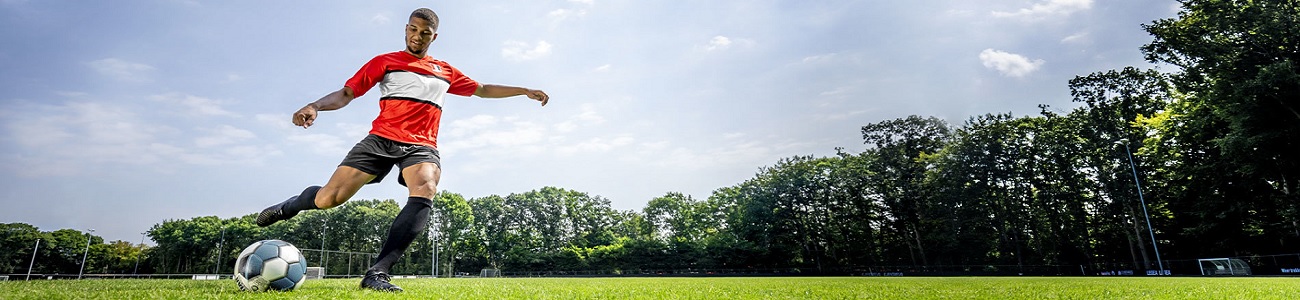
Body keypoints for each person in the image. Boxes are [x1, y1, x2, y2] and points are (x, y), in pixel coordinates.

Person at [254, 7, 548, 292]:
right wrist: (315, 106)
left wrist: (522, 90)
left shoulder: (444, 71)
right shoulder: (385, 61)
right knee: (330, 198)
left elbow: (482, 89)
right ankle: (290, 205)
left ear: (434, 37)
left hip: (421, 144)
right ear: (406, 29)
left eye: (425, 33)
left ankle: (378, 272)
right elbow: (347, 93)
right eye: (413, 29)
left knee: (426, 185)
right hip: (380, 139)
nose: (418, 36)